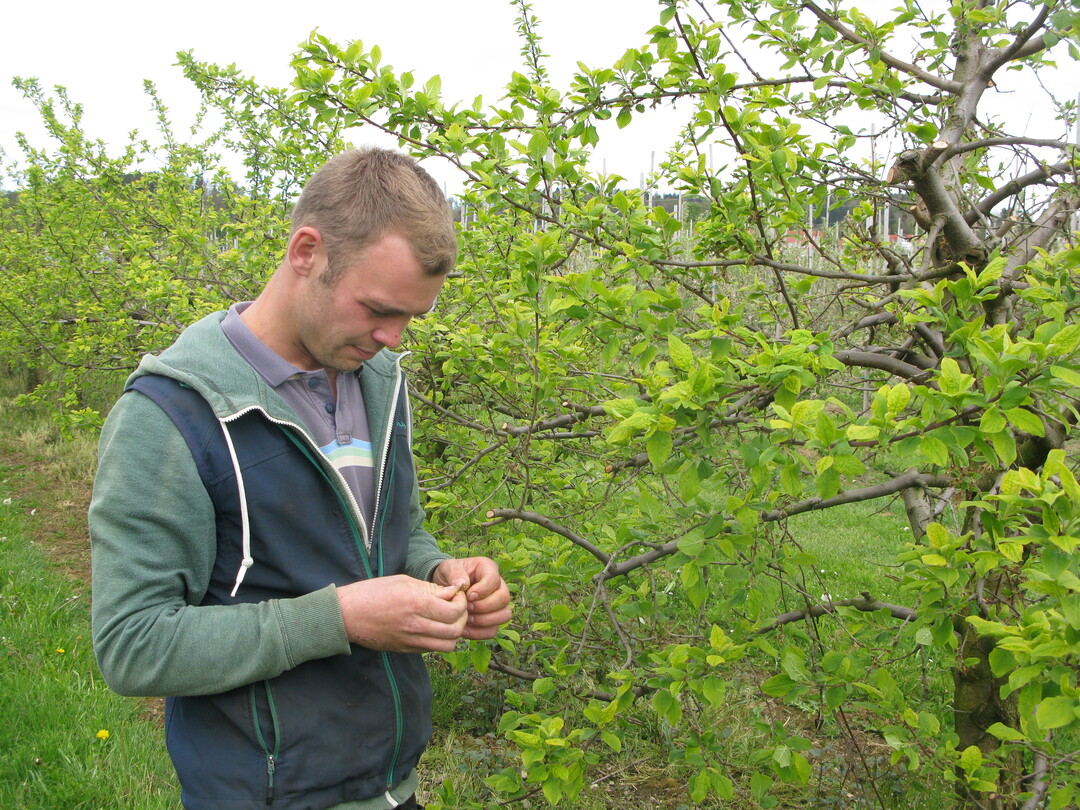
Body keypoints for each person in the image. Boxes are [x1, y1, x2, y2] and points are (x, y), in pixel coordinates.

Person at [89, 147, 512, 810]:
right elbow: (133, 645)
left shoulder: (378, 382)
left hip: (393, 790)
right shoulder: (171, 417)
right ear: (306, 251)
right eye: (377, 308)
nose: (394, 338)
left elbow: (396, 535)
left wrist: (441, 573)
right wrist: (341, 617)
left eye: (410, 317)